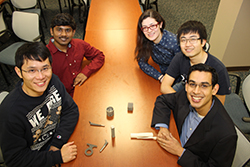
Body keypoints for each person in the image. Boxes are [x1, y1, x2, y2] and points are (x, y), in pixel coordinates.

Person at [0, 42, 79, 167]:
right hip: (34, 158)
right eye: (32, 70)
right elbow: (15, 160)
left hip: (56, 142)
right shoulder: (10, 113)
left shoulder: (53, 81)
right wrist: (56, 157)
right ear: (19, 72)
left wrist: (56, 144)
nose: (41, 77)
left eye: (45, 68)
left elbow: (71, 110)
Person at [151, 64, 237, 167]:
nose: (196, 91)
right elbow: (163, 100)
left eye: (204, 86)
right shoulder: (186, 95)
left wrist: (180, 151)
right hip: (170, 153)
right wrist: (163, 128)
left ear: (214, 89)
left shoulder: (226, 134)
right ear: (186, 86)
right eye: (192, 84)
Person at [160, 20, 230, 104]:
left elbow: (219, 103)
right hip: (186, 92)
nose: (187, 44)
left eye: (193, 39)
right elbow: (164, 86)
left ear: (203, 42)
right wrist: (184, 103)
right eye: (183, 40)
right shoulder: (180, 57)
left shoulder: (218, 68)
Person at [47, 13, 105, 97]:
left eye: (68, 30)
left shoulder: (80, 44)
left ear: (73, 32)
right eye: (59, 30)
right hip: (62, 97)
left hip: (81, 88)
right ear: (51, 31)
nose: (63, 34)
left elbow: (99, 56)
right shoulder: (44, 56)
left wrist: (85, 73)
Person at [135, 9, 180, 82]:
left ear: (160, 24)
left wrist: (167, 80)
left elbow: (181, 67)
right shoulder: (146, 39)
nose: (149, 30)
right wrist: (160, 77)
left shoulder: (174, 43)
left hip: (176, 77)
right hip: (161, 71)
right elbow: (141, 62)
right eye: (145, 28)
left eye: (152, 26)